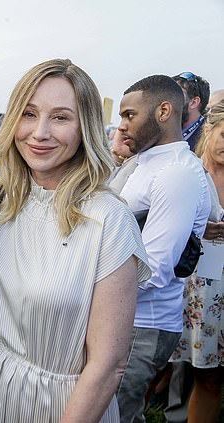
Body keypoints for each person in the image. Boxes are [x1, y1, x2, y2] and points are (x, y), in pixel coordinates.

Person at [0, 58, 150, 422]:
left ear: (85, 128)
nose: (39, 132)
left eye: (60, 117)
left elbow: (108, 365)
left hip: (58, 405)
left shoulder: (108, 219)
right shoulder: (9, 198)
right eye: (29, 114)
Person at [114, 75, 211, 423]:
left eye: (129, 115)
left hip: (143, 324)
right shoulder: (145, 163)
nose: (122, 126)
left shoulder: (175, 173)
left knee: (117, 415)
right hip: (121, 317)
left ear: (164, 111)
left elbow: (154, 268)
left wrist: (83, 285)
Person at [168, 100, 224, 423]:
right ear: (208, 129)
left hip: (219, 292)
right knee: (157, 362)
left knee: (211, 377)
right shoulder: (187, 170)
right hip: (186, 285)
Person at [173, 72, 210, 151]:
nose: (167, 101)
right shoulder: (163, 132)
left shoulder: (209, 140)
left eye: (175, 95)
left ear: (194, 102)